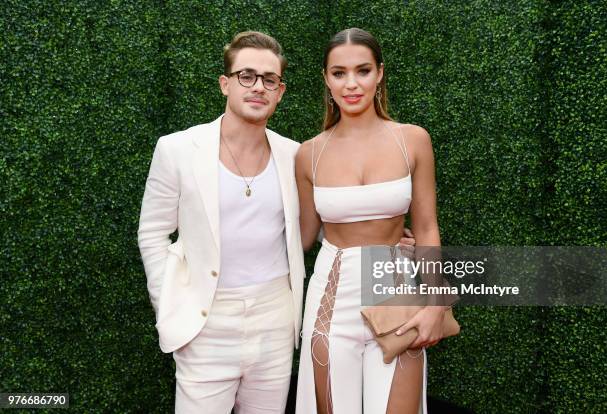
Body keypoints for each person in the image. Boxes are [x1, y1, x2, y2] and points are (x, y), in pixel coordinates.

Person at [138, 30, 418, 413]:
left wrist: (380, 238)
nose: (258, 87)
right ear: (225, 84)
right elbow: (152, 233)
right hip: (205, 325)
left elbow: (314, 223)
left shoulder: (294, 154)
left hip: (275, 324)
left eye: (269, 79)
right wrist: (169, 305)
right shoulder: (177, 149)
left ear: (280, 91)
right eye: (246, 76)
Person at [295, 28, 447, 414]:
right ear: (326, 80)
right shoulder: (308, 154)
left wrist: (433, 301)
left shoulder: (412, 140)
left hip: (396, 291)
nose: (351, 84)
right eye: (339, 73)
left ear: (379, 73)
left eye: (362, 71)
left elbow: (427, 226)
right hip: (331, 293)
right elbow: (302, 238)